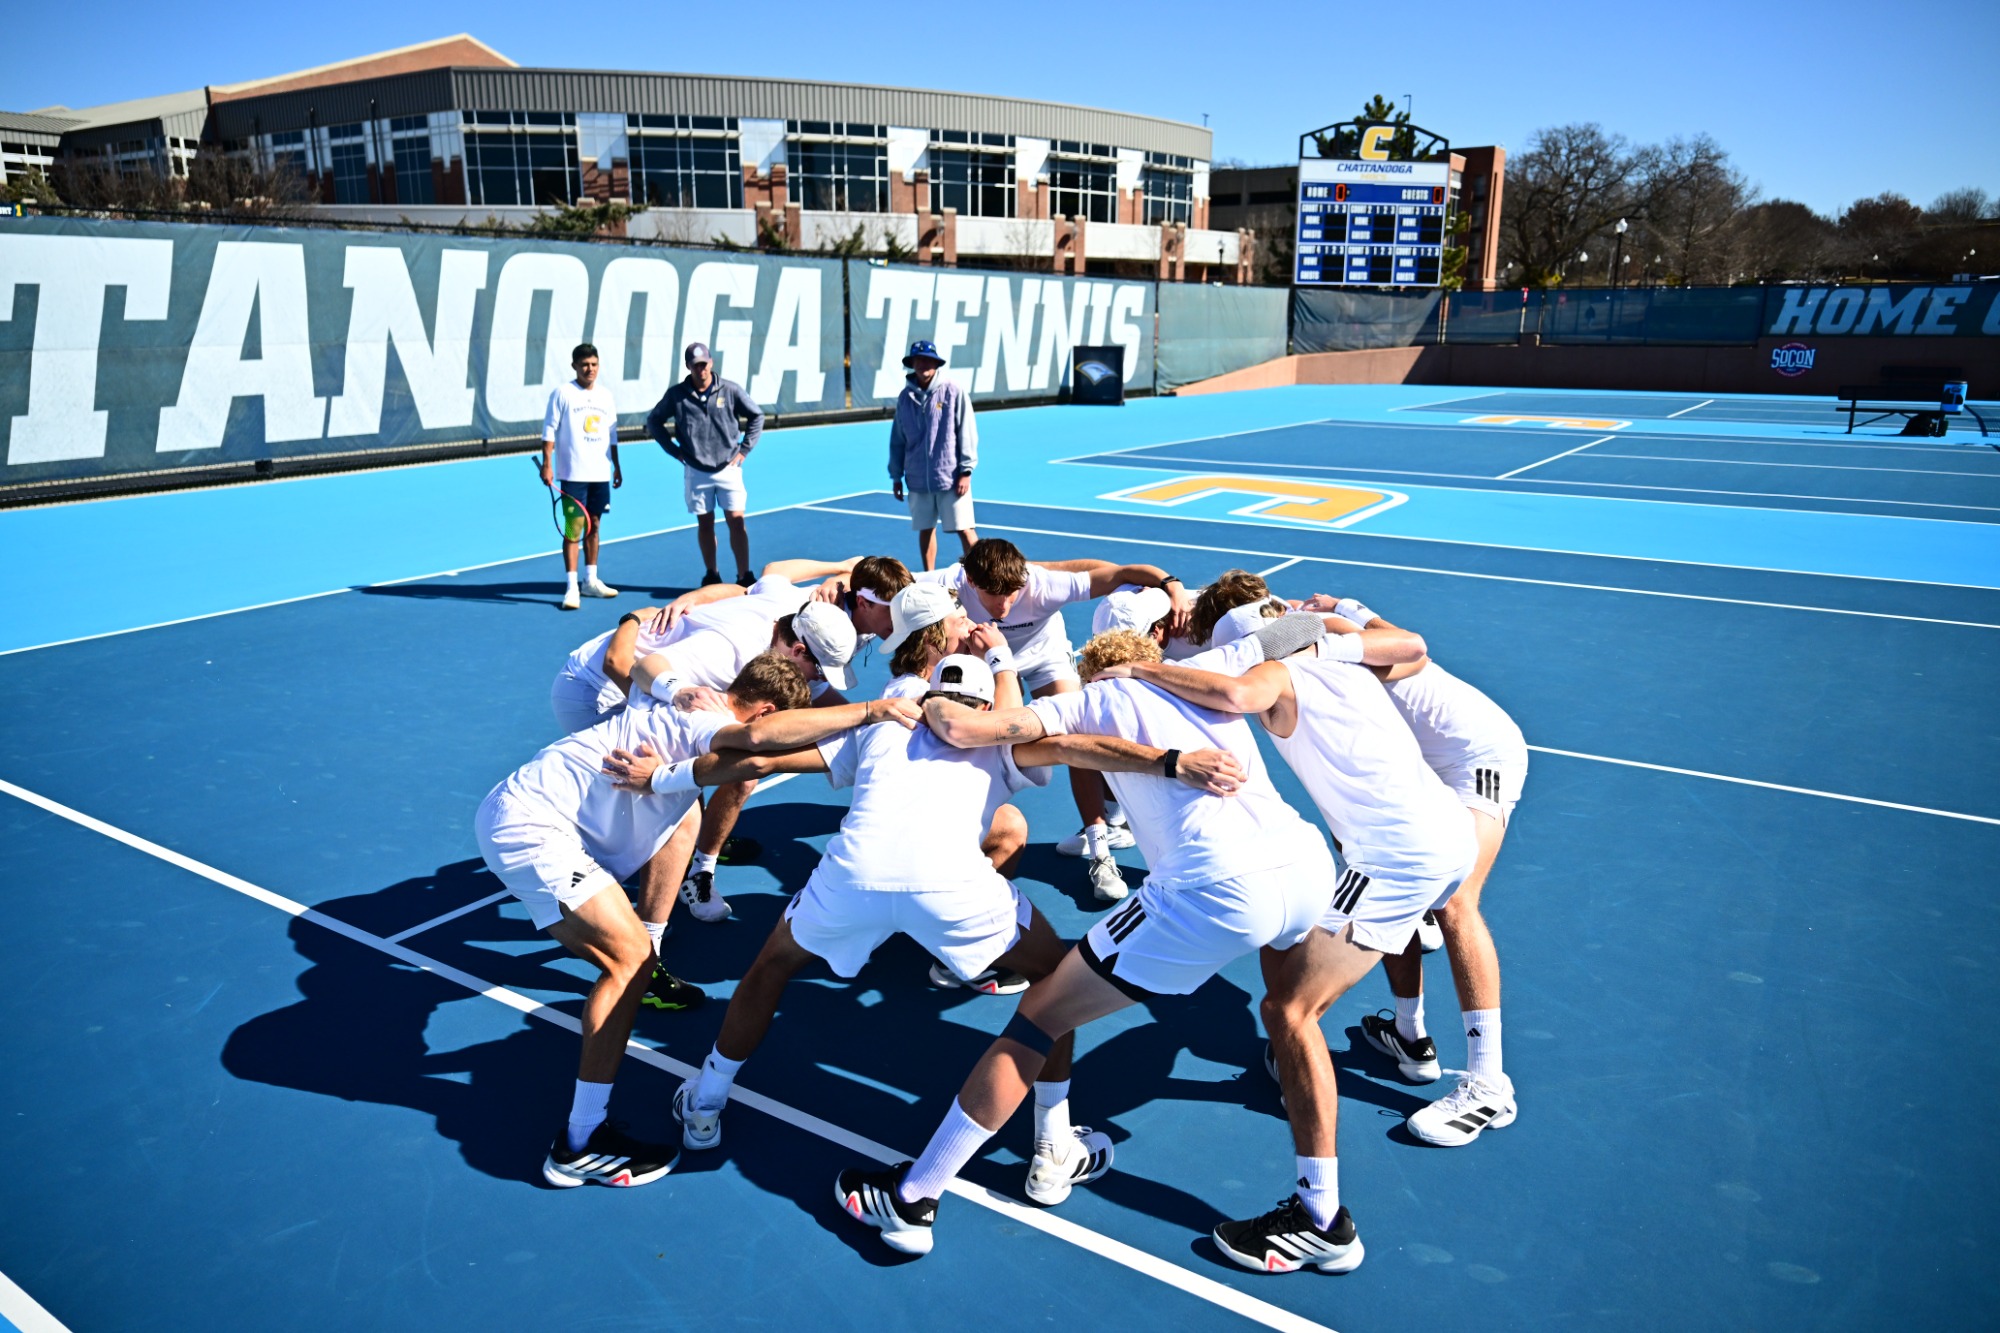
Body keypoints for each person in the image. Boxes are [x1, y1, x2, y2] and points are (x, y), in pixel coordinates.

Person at [623, 654, 1247, 1208]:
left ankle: (705, 1102)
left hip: (851, 880)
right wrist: (1173, 763)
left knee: (769, 969)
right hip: (955, 891)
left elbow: (753, 756)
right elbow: (1077, 747)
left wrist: (658, 778)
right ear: (984, 706)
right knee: (1056, 983)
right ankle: (1053, 1143)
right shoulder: (998, 741)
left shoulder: (878, 729)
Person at [830, 628, 1342, 1259]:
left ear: (1095, 672)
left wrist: (932, 693)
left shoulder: (1085, 699)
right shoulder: (1207, 675)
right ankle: (1321, 1216)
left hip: (1214, 888)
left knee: (1040, 1015)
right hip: (1309, 867)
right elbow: (1294, 630)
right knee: (1294, 1018)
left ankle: (912, 1198)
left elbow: (962, 729)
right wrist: (1335, 618)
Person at [1092, 600, 1474, 1273]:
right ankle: (1402, 1037)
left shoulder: (1275, 673)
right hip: (1445, 832)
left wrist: (1142, 667)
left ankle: (1318, 1218)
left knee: (1286, 1009)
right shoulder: (1346, 661)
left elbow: (1239, 691)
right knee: (1302, 932)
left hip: (1393, 857)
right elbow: (1411, 647)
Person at [472, 653, 921, 1188]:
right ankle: (579, 1143)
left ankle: (645, 963)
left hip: (522, 814)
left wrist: (673, 691)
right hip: (533, 829)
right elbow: (756, 746)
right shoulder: (711, 720)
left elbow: (655, 673)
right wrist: (873, 711)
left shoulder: (685, 699)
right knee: (629, 964)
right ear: (764, 712)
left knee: (679, 827)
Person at [1302, 592, 1529, 1147]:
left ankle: (1488, 1084)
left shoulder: (1354, 647)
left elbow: (1405, 645)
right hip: (1422, 766)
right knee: (1393, 880)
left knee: (1456, 903)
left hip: (1478, 757)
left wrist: (1343, 609)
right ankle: (1409, 1033)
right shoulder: (1308, 669)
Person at [919, 539, 1193, 901]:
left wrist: (1171, 585)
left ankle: (1100, 852)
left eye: (1012, 594)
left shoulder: (1044, 585)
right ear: (969, 580)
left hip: (1044, 658)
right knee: (968, 733)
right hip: (986, 659)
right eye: (992, 595)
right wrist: (834, 585)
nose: (1003, 606)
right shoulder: (946, 582)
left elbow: (1121, 573)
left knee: (1075, 731)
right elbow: (875, 578)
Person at [646, 341, 764, 587]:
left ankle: (744, 575)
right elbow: (654, 421)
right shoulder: (677, 395)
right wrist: (674, 451)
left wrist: (744, 449)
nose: (701, 369)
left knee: (736, 520)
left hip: (729, 468)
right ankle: (712, 573)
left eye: (704, 364)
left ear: (711, 362)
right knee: (705, 522)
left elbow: (757, 415)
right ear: (688, 366)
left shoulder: (730, 390)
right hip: (696, 470)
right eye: (695, 365)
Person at [541, 342, 621, 612]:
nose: (590, 369)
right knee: (574, 528)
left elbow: (612, 436)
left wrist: (617, 467)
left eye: (594, 364)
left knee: (595, 525)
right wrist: (547, 465)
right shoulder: (562, 394)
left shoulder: (606, 396)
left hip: (600, 473)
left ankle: (591, 580)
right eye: (585, 365)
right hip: (573, 473)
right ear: (575, 366)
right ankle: (572, 586)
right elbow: (549, 431)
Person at [889, 340, 977, 572]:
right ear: (913, 364)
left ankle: (981, 576)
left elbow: (966, 430)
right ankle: (930, 578)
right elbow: (897, 439)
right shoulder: (905, 398)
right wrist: (896, 476)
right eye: (919, 360)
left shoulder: (953, 391)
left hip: (950, 477)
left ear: (936, 363)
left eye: (928, 360)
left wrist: (966, 470)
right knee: (925, 530)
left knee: (965, 529)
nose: (923, 364)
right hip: (917, 479)